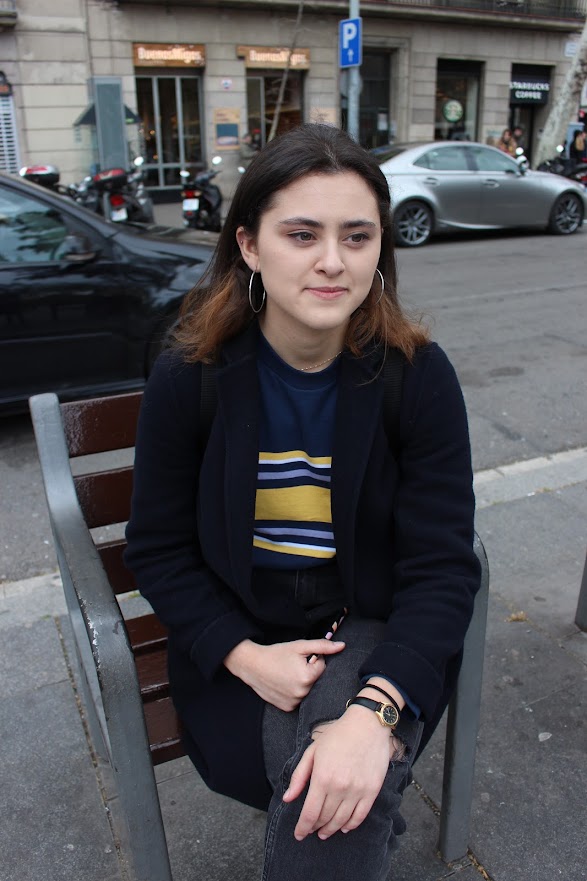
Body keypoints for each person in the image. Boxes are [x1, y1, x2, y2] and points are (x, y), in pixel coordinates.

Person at [124, 123, 481, 881]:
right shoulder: (191, 377)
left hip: (373, 627)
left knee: (334, 778)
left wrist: (375, 708)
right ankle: (373, 800)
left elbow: (442, 567)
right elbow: (156, 547)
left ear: (379, 250)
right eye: (301, 233)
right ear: (249, 245)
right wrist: (243, 654)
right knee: (344, 786)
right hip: (240, 641)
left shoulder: (415, 378)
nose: (331, 261)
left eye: (357, 237)